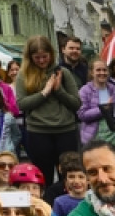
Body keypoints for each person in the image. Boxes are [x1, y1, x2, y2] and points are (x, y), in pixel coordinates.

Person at [14, 35, 81, 168]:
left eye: (45, 56)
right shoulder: (23, 75)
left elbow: (76, 103)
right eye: (37, 57)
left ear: (51, 53)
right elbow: (21, 104)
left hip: (65, 129)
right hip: (38, 131)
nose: (42, 60)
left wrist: (59, 90)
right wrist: (44, 93)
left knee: (68, 173)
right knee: (44, 176)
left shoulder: (63, 72)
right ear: (30, 57)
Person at [77, 60, 115, 147]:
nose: (102, 73)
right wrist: (104, 108)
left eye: (104, 70)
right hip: (93, 137)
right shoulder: (85, 90)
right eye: (98, 70)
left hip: (113, 137)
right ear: (91, 72)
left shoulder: (113, 89)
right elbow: (82, 115)